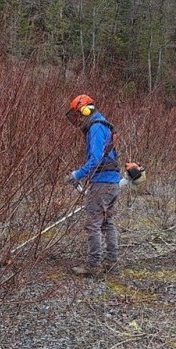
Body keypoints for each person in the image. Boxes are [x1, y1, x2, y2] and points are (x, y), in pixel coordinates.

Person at [65, 94, 121, 275]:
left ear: (84, 110)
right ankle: (112, 263)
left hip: (102, 182)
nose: (77, 119)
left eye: (77, 114)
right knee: (107, 223)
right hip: (112, 182)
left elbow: (95, 159)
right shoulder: (103, 125)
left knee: (93, 224)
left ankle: (93, 266)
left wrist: (77, 174)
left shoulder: (95, 127)